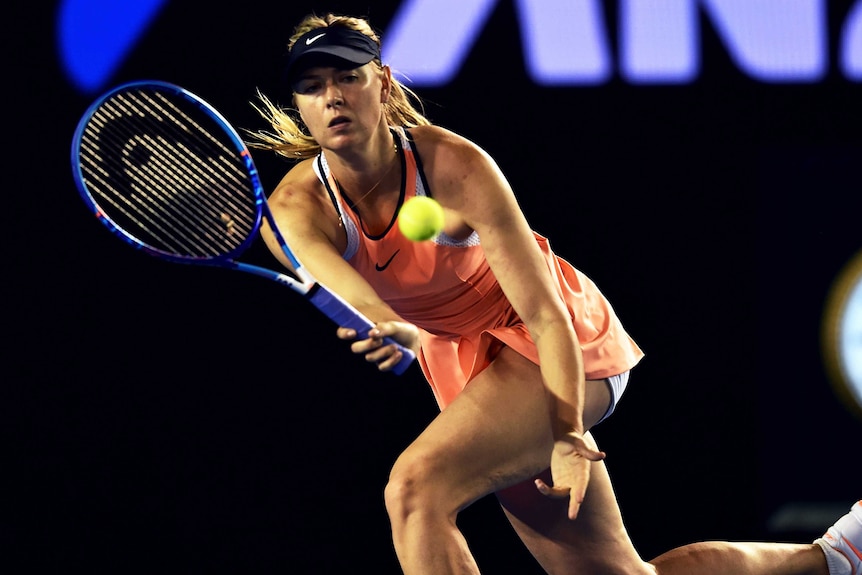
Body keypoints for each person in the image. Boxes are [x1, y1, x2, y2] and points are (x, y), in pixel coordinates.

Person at [248, 12, 862, 575]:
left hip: (556, 339)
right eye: (312, 85)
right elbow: (361, 298)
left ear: (381, 83)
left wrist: (567, 431)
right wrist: (397, 328)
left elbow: (543, 312)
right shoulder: (295, 213)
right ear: (299, 104)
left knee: (416, 489)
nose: (332, 96)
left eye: (348, 77)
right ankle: (838, 556)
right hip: (465, 364)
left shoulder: (457, 168)